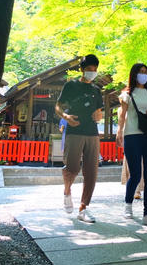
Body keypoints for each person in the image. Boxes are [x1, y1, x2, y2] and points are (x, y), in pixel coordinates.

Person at [55, 54, 103, 223]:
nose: (93, 72)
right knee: (72, 168)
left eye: (95, 69)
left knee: (92, 172)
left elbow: (100, 112)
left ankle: (84, 207)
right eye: (89, 69)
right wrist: (66, 117)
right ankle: (67, 191)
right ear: (82, 69)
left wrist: (99, 116)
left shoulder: (97, 90)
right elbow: (58, 106)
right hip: (74, 132)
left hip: (92, 133)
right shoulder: (71, 85)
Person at [116, 63, 147, 227]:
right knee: (135, 174)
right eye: (140, 72)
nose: (143, 75)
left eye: (146, 72)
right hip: (132, 135)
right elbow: (122, 115)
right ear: (134, 75)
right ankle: (128, 205)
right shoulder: (127, 94)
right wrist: (119, 132)